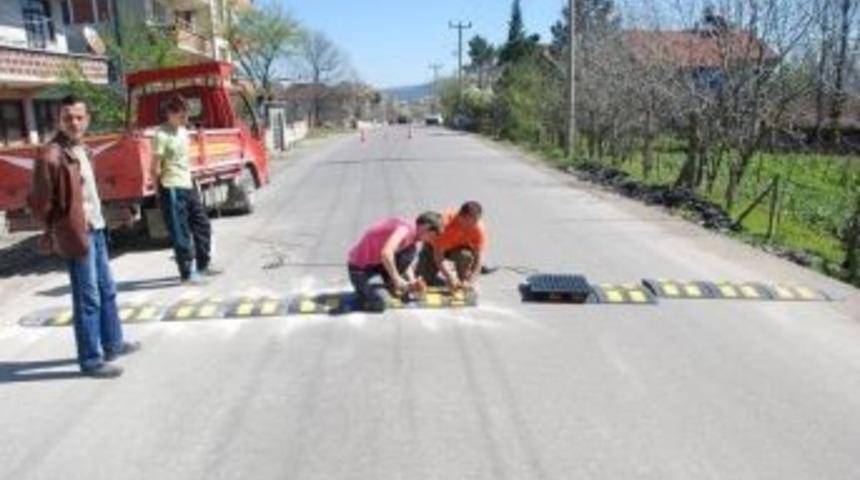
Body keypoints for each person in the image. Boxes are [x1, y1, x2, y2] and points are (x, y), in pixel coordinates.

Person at [29, 95, 140, 379]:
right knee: (87, 297)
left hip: (97, 228)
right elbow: (39, 203)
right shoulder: (51, 155)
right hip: (77, 234)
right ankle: (91, 360)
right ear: (59, 120)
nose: (74, 122)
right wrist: (59, 227)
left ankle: (113, 343)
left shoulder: (83, 150)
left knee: (107, 290)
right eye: (68, 117)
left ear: (87, 120)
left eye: (79, 117)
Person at [151, 95, 215, 284]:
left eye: (186, 115)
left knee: (203, 224)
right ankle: (186, 273)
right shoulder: (161, 135)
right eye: (181, 115)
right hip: (171, 186)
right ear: (169, 114)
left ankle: (203, 265)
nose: (185, 118)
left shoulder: (183, 131)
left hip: (187, 184)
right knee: (181, 231)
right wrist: (157, 190)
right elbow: (154, 167)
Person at [348, 212, 443, 311]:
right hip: (362, 270)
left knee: (410, 250)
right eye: (432, 237)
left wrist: (412, 281)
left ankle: (387, 284)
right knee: (382, 302)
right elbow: (386, 253)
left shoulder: (413, 235)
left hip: (379, 265)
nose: (430, 241)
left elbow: (406, 261)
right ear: (425, 227)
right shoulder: (405, 229)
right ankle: (364, 291)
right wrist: (397, 279)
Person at [417, 201, 488, 290]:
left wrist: (471, 280)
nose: (471, 226)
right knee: (423, 279)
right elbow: (438, 255)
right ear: (460, 216)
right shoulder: (443, 223)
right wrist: (449, 276)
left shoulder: (478, 228)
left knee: (465, 255)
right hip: (434, 248)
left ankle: (461, 280)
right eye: (468, 222)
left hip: (457, 251)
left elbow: (479, 258)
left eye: (475, 222)